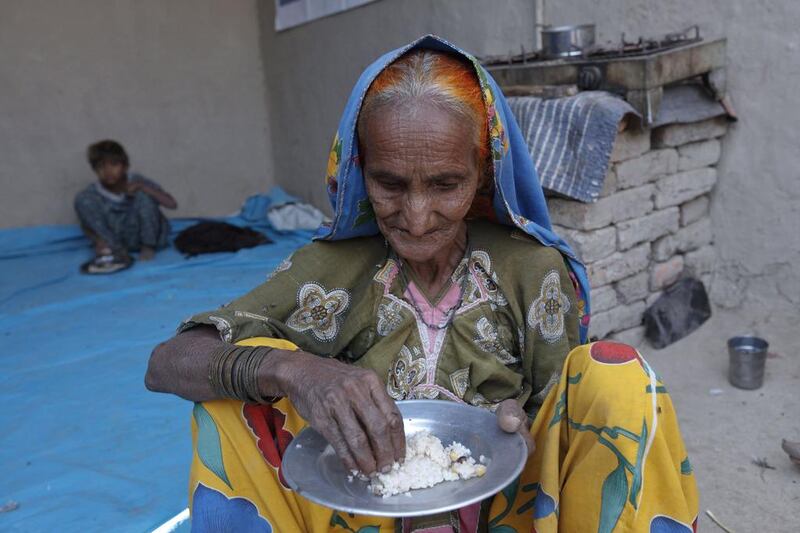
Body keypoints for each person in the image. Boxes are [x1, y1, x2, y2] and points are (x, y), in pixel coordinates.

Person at [146, 36, 698, 532]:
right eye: (389, 184)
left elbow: (563, 415)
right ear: (361, 172)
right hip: (359, 511)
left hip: (509, 510)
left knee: (617, 376)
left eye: (445, 184)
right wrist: (296, 369)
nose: (415, 216)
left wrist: (519, 423)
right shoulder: (331, 270)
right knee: (229, 398)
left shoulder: (530, 270)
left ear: (483, 172)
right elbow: (168, 362)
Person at [74, 140, 176, 274]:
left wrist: (142, 186)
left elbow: (171, 204)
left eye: (114, 164)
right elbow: (90, 225)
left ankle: (148, 247)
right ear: (95, 170)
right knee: (83, 200)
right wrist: (99, 240)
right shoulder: (92, 194)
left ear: (125, 166)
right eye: (101, 167)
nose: (108, 171)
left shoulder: (135, 180)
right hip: (116, 241)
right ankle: (115, 250)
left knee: (143, 196)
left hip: (145, 236)